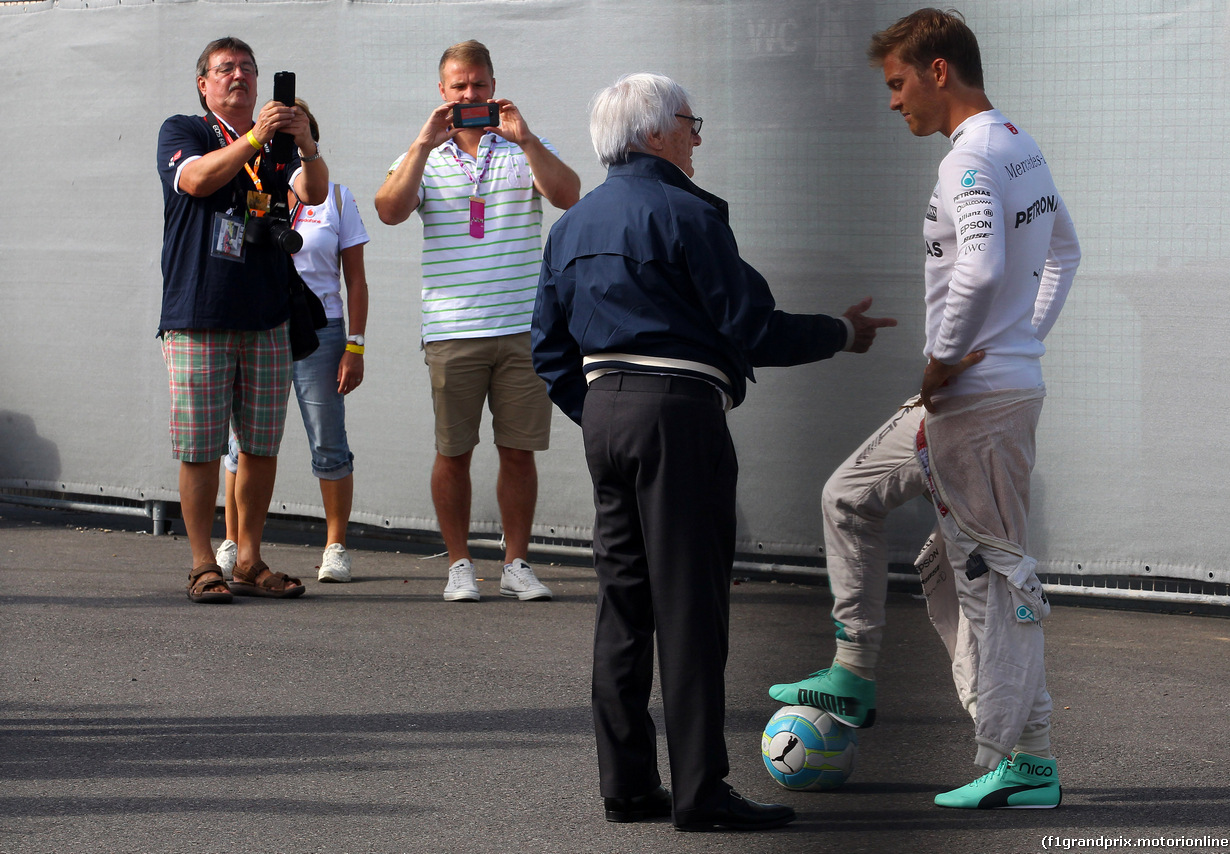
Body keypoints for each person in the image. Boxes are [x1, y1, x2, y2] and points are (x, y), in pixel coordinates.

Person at [531, 72, 897, 832]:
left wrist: (602, 412)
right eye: (693, 125)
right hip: (679, 414)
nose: (698, 139)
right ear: (658, 132)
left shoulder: (569, 226)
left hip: (606, 414)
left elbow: (548, 350)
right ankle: (700, 791)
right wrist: (839, 332)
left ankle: (628, 786)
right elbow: (749, 325)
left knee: (623, 607)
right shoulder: (687, 214)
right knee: (692, 608)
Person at [768, 8, 1082, 810]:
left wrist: (947, 362)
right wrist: (1021, 337)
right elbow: (1065, 252)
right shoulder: (1021, 144)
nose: (892, 100)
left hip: (973, 401)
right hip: (972, 394)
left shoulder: (971, 158)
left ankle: (1027, 763)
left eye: (897, 82)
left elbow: (976, 272)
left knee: (990, 577)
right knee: (848, 494)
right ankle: (854, 672)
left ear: (938, 71)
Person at [374, 39, 580, 603]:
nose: (470, 95)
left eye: (479, 85)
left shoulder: (522, 146)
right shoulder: (425, 153)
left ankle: (516, 562)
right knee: (454, 451)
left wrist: (528, 139)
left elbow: (569, 195)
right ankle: (459, 564)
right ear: (442, 91)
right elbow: (389, 210)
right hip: (451, 328)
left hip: (522, 327)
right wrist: (422, 142)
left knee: (518, 450)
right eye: (459, 86)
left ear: (494, 86)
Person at [157, 36, 329, 603]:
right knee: (202, 447)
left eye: (248, 69)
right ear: (204, 85)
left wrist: (305, 146)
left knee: (260, 446)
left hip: (266, 316)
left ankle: (250, 559)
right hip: (200, 314)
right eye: (225, 69)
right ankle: (204, 562)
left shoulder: (278, 146)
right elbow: (199, 180)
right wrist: (255, 138)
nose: (239, 76)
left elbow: (316, 191)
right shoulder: (184, 131)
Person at [217, 100, 371, 584]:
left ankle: (335, 546)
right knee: (241, 443)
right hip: (261, 324)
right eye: (280, 136)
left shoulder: (337, 198)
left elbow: (357, 282)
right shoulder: (250, 187)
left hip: (319, 330)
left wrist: (355, 345)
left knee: (328, 439)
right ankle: (233, 544)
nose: (287, 144)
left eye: (297, 135)